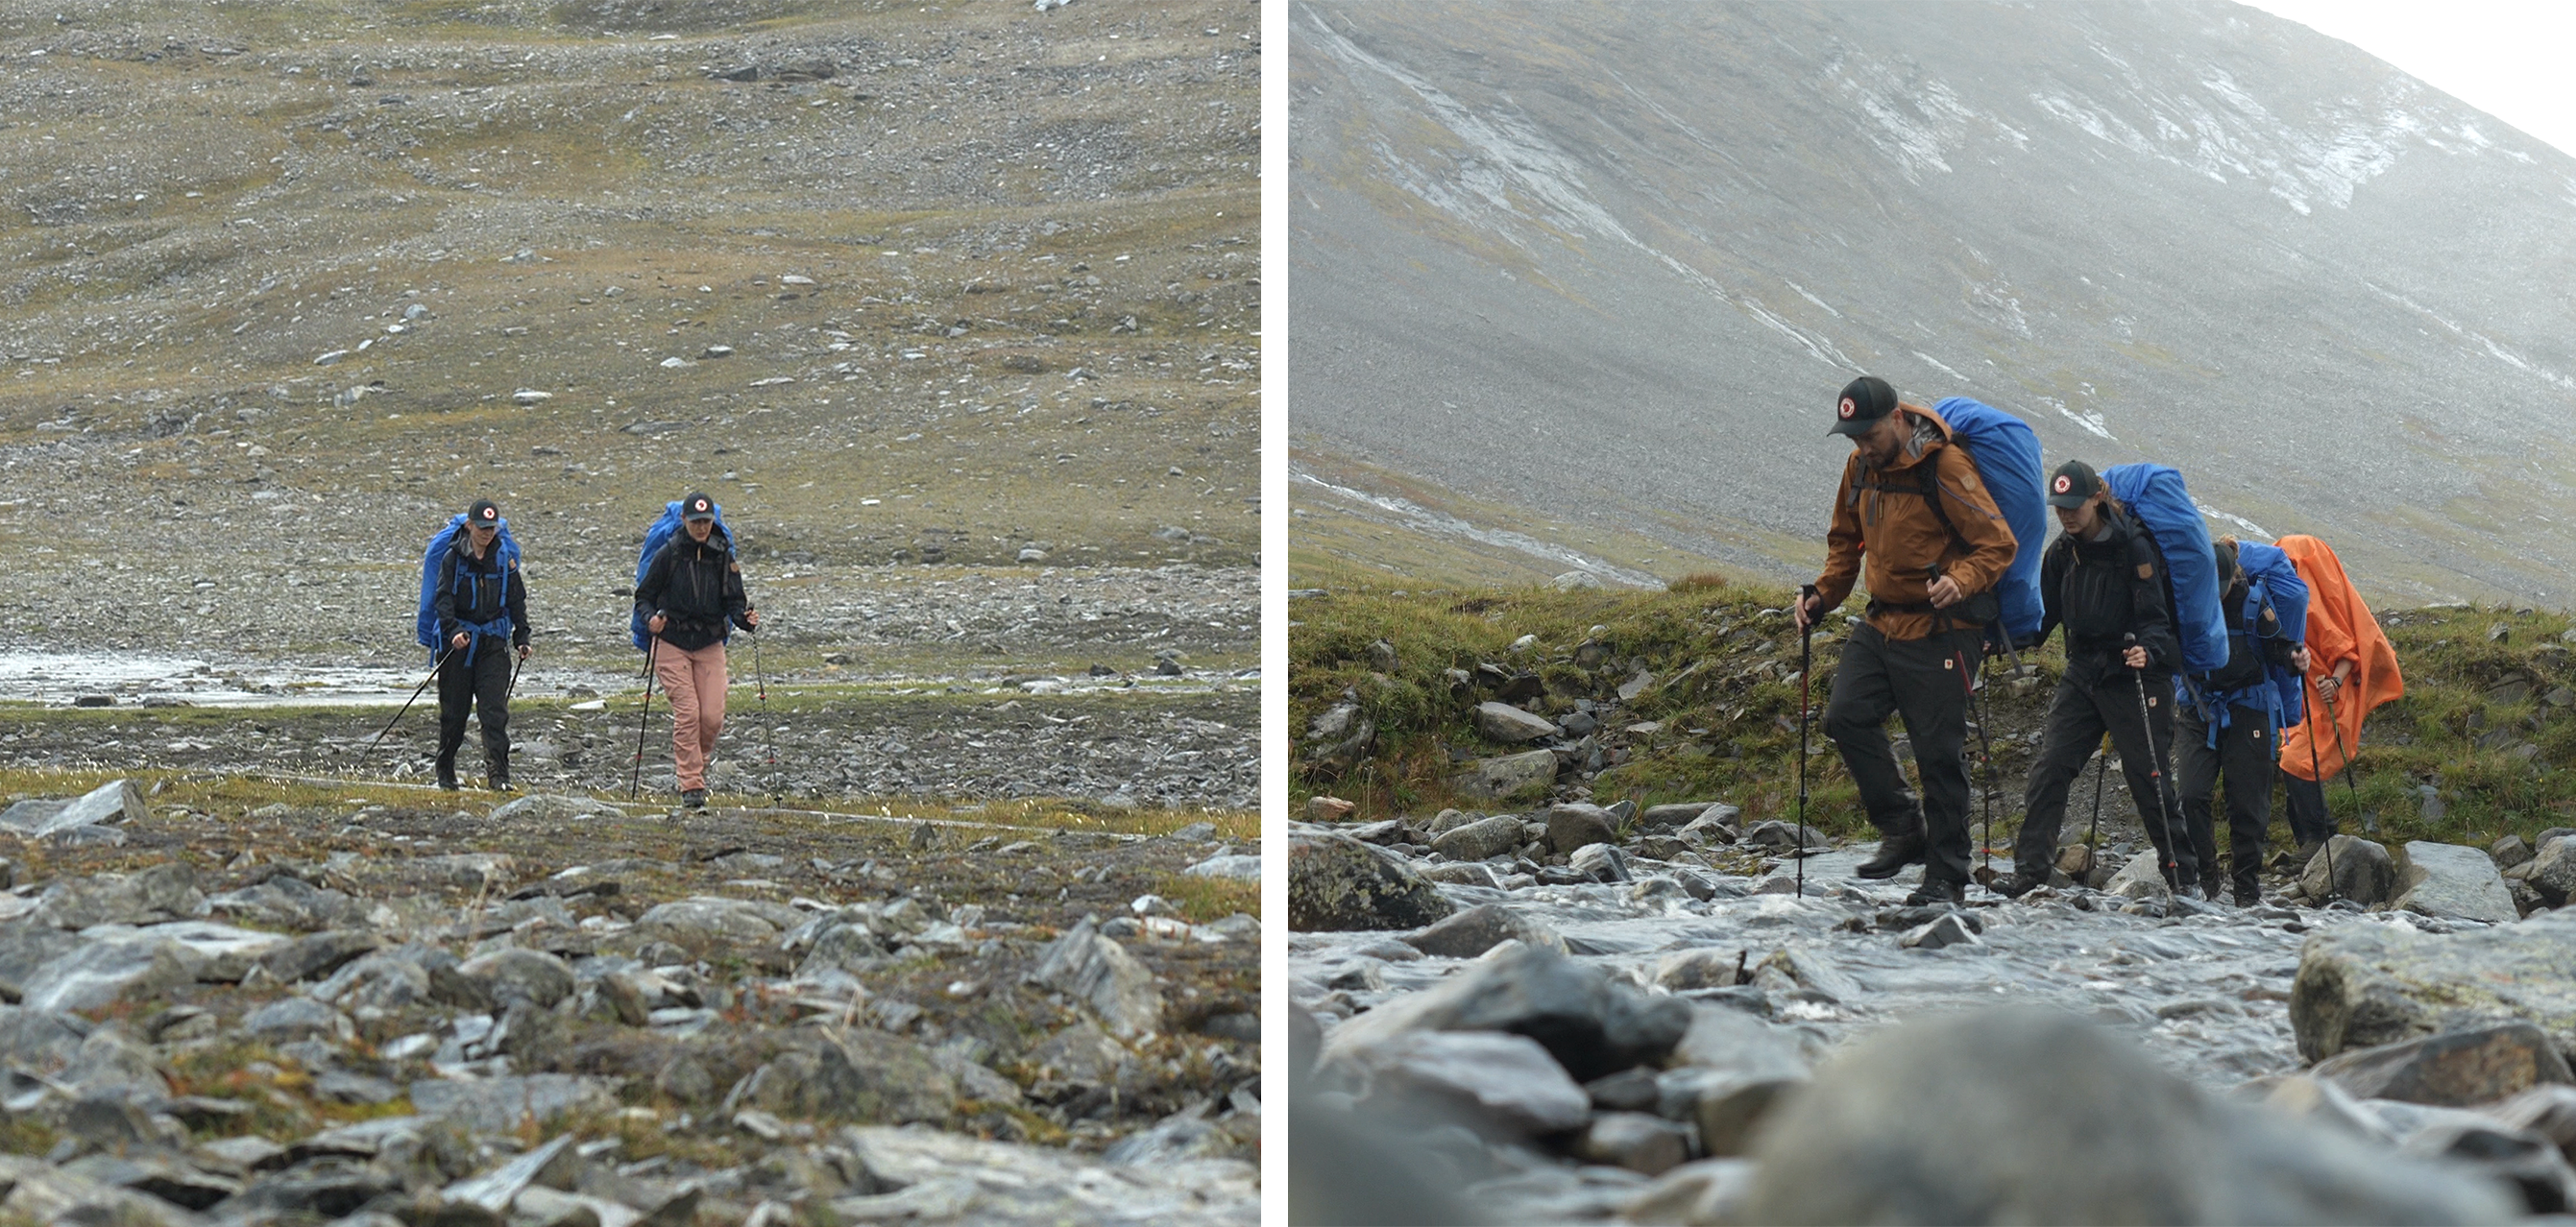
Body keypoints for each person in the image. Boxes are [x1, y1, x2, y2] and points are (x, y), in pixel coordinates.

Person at [1795, 375, 2017, 906]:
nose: (1862, 446)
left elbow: (1998, 543)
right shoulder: (1859, 467)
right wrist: (1824, 596)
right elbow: (1846, 542)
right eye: (1853, 437)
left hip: (1943, 631)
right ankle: (1903, 826)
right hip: (1880, 623)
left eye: (1868, 434)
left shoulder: (1945, 467)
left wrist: (1959, 580)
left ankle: (1946, 876)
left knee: (1939, 755)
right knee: (1844, 716)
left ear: (1897, 418)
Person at [1994, 461, 2196, 899]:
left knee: (2150, 780)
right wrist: (2000, 637)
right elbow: (2042, 618)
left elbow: (2158, 621)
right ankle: (2030, 874)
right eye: (2059, 507)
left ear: (2097, 499)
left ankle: (2185, 881)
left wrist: (2148, 649)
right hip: (2083, 674)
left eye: (2073, 505)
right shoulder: (2062, 554)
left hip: (2137, 677)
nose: (2066, 514)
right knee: (2050, 769)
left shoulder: (2135, 548)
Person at [2174, 540, 2303, 906]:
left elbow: (2278, 646)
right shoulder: (2188, 600)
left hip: (2249, 710)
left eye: (2220, 587)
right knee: (2191, 794)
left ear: (2235, 576)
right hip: (2199, 708)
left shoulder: (2252, 603)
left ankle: (2246, 889)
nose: (2213, 596)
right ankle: (2208, 875)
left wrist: (2295, 657)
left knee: (2247, 804)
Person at [2274, 534, 2403, 854]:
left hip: (2328, 697)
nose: (2288, 569)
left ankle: (2320, 838)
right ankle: (2309, 841)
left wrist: (2334, 681)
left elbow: (2346, 652)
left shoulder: (2317, 608)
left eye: (2292, 564)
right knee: (2294, 760)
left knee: (2297, 761)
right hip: (2300, 699)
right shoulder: (2291, 599)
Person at [634, 491, 760, 809]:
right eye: (696, 521)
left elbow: (734, 601)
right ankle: (691, 785)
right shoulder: (669, 553)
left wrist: (745, 620)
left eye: (706, 521)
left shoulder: (723, 556)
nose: (701, 527)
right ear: (684, 520)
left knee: (712, 717)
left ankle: (695, 766)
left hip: (709, 642)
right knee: (688, 713)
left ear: (712, 521)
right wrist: (650, 620)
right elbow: (644, 596)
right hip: (671, 641)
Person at [430, 498, 530, 791]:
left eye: (492, 527)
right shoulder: (452, 558)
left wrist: (521, 637)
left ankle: (499, 777)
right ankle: (445, 770)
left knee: (494, 713)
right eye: (482, 527)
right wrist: (453, 631)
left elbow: (516, 599)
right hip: (458, 648)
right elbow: (443, 599)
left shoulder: (504, 558)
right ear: (469, 525)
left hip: (494, 645)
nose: (488, 533)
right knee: (454, 714)